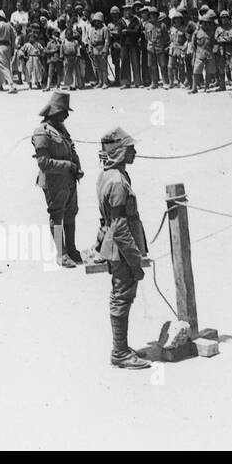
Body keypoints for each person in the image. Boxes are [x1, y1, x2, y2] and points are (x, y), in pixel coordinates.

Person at [95, 127, 151, 369]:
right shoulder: (118, 181)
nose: (135, 152)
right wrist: (135, 260)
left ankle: (121, 347)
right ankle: (119, 352)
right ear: (119, 152)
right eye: (130, 148)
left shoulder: (109, 175)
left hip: (114, 246)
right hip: (121, 250)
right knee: (122, 297)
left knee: (121, 296)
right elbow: (119, 227)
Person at [32, 90, 84, 267]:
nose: (67, 115)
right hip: (54, 182)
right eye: (64, 111)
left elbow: (72, 149)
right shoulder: (42, 132)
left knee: (71, 213)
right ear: (54, 111)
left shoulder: (61, 128)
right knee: (57, 216)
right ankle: (61, 254)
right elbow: (44, 163)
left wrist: (78, 167)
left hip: (68, 180)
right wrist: (68, 166)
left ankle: (71, 248)